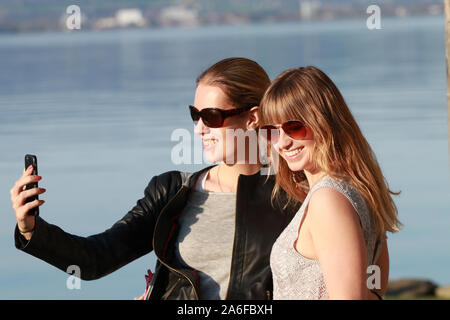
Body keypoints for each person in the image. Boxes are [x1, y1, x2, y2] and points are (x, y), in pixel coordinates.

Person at [10, 57, 300, 300]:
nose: (199, 129)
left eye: (211, 117)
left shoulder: (293, 195)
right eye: (194, 115)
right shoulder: (172, 192)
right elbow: (95, 259)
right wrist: (31, 229)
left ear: (252, 118)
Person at [259, 66, 402, 300]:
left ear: (324, 122)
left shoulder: (328, 200)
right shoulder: (359, 191)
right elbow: (375, 293)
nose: (281, 143)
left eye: (294, 127)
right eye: (272, 131)